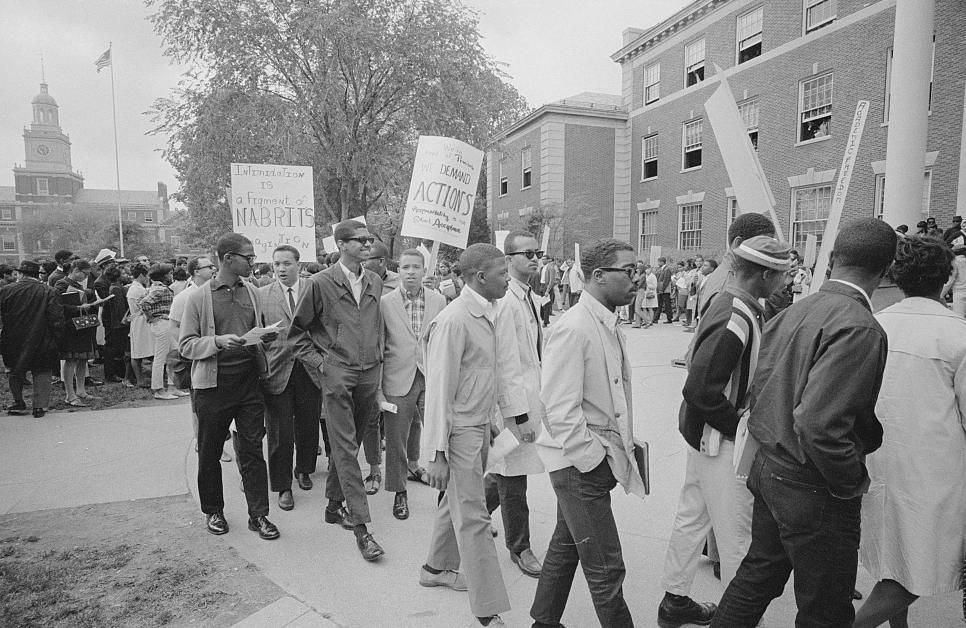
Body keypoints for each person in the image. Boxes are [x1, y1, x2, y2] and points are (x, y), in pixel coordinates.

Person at [712, 218, 898, 628]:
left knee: (757, 575)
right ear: (886, 273)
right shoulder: (859, 327)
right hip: (810, 482)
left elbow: (762, 391)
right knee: (826, 609)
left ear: (831, 260)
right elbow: (818, 424)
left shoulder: (796, 310)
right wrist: (850, 481)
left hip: (771, 466)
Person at [658, 236, 790, 628]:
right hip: (722, 443)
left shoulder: (735, 305)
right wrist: (741, 429)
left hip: (708, 441)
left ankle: (674, 601)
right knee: (738, 542)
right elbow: (700, 390)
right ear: (764, 275)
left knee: (692, 521)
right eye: (780, 276)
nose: (783, 283)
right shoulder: (736, 314)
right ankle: (742, 620)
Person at [530, 238, 646, 628]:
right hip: (580, 467)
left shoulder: (605, 322)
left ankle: (543, 622)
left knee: (567, 547)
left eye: (638, 270)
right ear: (598, 276)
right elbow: (558, 409)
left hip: (591, 462)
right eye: (628, 271)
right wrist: (592, 461)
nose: (637, 279)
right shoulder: (575, 328)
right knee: (606, 569)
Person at [854, 236, 966, 628]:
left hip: (876, 462)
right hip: (933, 473)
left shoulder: (875, 323)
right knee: (921, 566)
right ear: (948, 278)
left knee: (892, 561)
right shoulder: (958, 334)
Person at [420, 243, 533, 628]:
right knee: (474, 518)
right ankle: (488, 611)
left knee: (456, 503)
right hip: (458, 434)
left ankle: (435, 567)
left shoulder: (491, 310)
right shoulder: (453, 321)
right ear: (480, 277)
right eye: (502, 273)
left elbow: (496, 371)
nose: (508, 278)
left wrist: (507, 419)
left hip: (481, 426)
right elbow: (437, 392)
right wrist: (436, 453)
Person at [291, 219, 386, 562]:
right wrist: (322, 366)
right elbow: (296, 336)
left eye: (369, 239)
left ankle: (333, 506)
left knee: (353, 442)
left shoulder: (374, 280)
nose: (367, 244)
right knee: (345, 449)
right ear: (341, 244)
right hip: (337, 376)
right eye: (360, 240)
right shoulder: (319, 283)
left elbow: (378, 328)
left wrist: (377, 366)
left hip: (368, 375)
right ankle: (362, 528)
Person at [179, 233, 280, 541]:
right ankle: (214, 510)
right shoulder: (198, 297)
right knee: (209, 451)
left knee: (251, 450)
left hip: (249, 383)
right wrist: (216, 342)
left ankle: (259, 515)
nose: (253, 262)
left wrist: (265, 337)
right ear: (228, 259)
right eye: (248, 257)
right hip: (213, 386)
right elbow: (185, 345)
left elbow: (256, 330)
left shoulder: (252, 290)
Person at [484, 231, 546, 578]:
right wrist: (517, 415)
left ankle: (459, 514)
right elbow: (505, 364)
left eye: (539, 252)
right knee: (513, 476)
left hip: (530, 400)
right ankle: (519, 547)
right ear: (508, 260)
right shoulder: (507, 302)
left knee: (503, 471)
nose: (536, 258)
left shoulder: (528, 298)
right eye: (528, 253)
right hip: (513, 407)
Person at [376, 248, 446, 520]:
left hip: (431, 377)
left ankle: (446, 496)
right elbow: (380, 344)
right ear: (399, 270)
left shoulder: (439, 301)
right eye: (405, 267)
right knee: (395, 438)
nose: (411, 272)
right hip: (397, 377)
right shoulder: (385, 303)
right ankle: (399, 492)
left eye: (416, 267)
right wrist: (379, 388)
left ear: (424, 270)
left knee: (441, 435)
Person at [258, 244, 321, 512]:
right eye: (277, 264)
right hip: (277, 370)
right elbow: (254, 334)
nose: (281, 269)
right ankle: (282, 485)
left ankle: (304, 469)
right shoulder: (261, 295)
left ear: (299, 264)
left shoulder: (313, 289)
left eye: (287, 263)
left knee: (308, 424)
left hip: (309, 370)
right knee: (279, 432)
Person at [360, 240, 400, 494]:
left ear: (382, 261)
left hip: (398, 361)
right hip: (371, 359)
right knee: (371, 418)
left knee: (404, 417)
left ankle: (409, 464)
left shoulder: (400, 283)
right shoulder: (359, 281)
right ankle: (374, 471)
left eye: (368, 258)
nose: (363, 261)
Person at [1, 261, 64, 418]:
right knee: (42, 370)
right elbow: (56, 318)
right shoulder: (48, 291)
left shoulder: (6, 290)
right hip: (42, 337)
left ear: (21, 274)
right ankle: (39, 406)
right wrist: (59, 338)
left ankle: (18, 401)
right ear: (38, 275)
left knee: (14, 370)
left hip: (12, 338)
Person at [696, 214, 776, 320]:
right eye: (762, 245)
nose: (768, 252)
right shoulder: (727, 286)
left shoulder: (737, 277)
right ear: (738, 243)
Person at [54, 260, 103, 407]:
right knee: (71, 360)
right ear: (75, 270)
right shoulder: (61, 284)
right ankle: (70, 394)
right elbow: (59, 306)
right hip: (71, 327)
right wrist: (79, 308)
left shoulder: (76, 284)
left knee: (82, 359)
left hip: (82, 326)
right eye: (84, 274)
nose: (85, 277)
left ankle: (81, 390)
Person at [139, 263, 181, 401]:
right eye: (169, 274)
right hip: (162, 324)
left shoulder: (157, 287)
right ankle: (158, 389)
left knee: (174, 354)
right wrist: (152, 317)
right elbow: (144, 303)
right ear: (163, 276)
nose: (171, 276)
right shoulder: (160, 289)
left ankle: (172, 386)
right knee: (161, 358)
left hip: (164, 323)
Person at [127, 263, 153, 388]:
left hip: (140, 320)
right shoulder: (137, 289)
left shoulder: (138, 287)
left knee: (143, 349)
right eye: (147, 275)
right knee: (137, 351)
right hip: (140, 321)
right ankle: (140, 379)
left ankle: (143, 378)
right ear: (142, 275)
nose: (148, 278)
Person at [942, 245, 966, 316]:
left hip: (959, 293)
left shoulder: (954, 262)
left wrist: (942, 294)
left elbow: (951, 280)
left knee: (959, 316)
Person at [656, 257, 674, 323]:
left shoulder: (667, 269)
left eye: (659, 262)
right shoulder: (661, 269)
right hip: (661, 289)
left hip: (665, 290)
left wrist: (662, 289)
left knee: (667, 304)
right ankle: (656, 318)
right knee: (659, 304)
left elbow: (666, 280)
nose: (658, 263)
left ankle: (669, 318)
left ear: (662, 262)